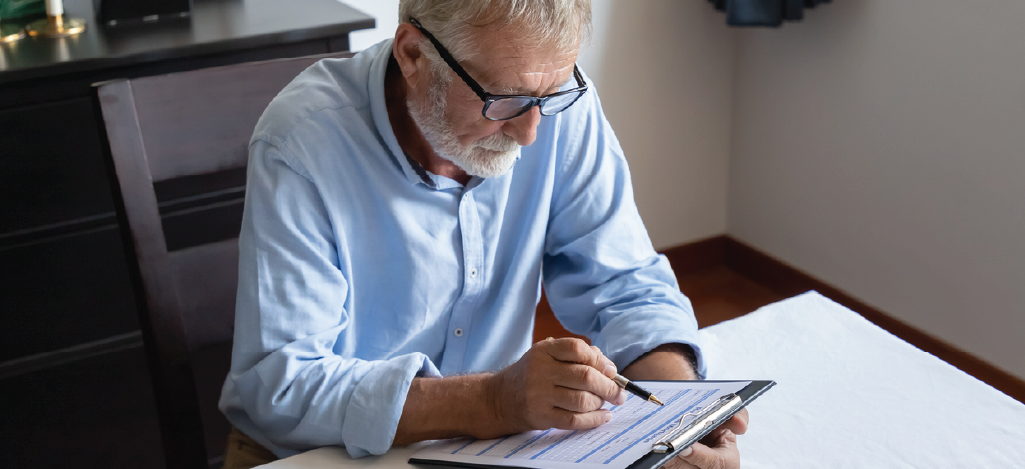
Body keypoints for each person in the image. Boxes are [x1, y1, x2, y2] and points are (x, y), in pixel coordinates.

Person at [218, 1, 749, 469]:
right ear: (412, 55)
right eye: (503, 100)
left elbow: (626, 282)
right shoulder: (302, 141)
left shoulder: (551, 100)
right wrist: (494, 402)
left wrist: (683, 415)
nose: (532, 131)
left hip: (488, 448)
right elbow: (282, 386)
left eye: (551, 93)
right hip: (313, 454)